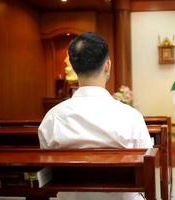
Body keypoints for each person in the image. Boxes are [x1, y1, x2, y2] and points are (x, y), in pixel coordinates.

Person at [38, 32, 153, 200]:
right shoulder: (131, 117)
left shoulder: (52, 118)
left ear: (73, 66)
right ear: (107, 66)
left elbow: (46, 173)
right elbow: (146, 169)